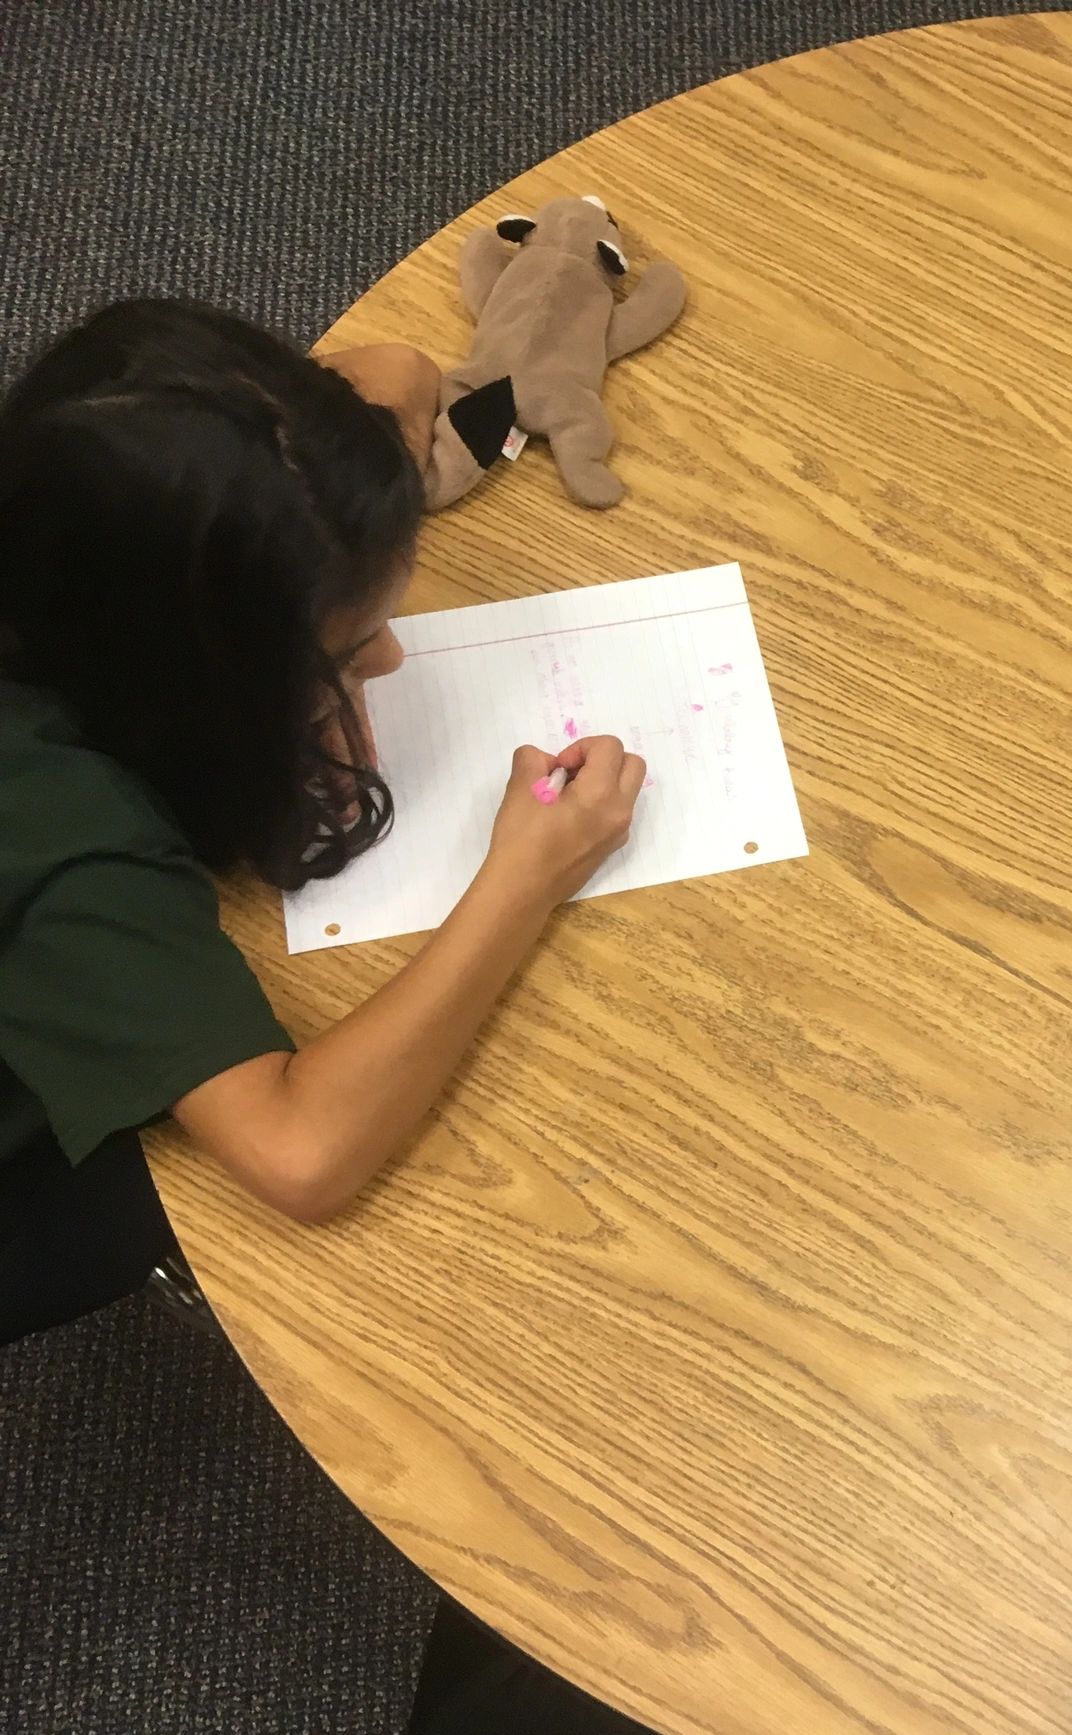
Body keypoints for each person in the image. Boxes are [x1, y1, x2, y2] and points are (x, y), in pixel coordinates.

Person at [0, 299, 644, 1342]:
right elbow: (299, 1156)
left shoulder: (62, 481)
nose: (389, 666)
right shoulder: (78, 846)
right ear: (195, 679)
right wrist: (526, 873)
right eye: (349, 655)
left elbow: (394, 366)